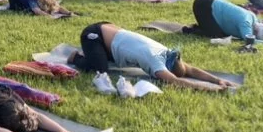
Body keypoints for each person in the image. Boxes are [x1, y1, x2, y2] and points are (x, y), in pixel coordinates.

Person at [68, 22, 236, 92]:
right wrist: (209, 88)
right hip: (94, 33)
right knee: (100, 70)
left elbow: (190, 70)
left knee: (110, 59)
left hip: (109, 30)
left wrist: (217, 80)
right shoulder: (155, 61)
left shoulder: (166, 52)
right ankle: (77, 58)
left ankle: (98, 53)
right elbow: (176, 81)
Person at [192, 0, 263, 46]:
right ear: (255, 32)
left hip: (212, 0)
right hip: (203, 5)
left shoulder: (254, 19)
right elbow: (250, 41)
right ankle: (188, 29)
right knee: (215, 35)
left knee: (223, 33)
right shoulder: (245, 23)